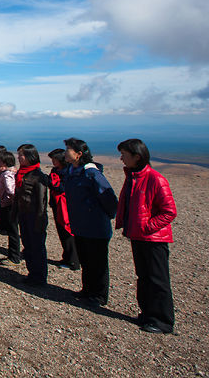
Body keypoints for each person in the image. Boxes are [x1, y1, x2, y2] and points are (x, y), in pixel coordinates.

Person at [115, 138, 177, 333]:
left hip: (153, 239)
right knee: (143, 276)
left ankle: (162, 321)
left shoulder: (155, 178)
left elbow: (169, 211)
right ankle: (148, 313)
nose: (121, 159)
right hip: (139, 236)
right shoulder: (134, 177)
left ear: (137, 157)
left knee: (157, 279)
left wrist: (148, 227)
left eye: (124, 155)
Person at [62, 137, 118, 306]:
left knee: (98, 262)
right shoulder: (71, 171)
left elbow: (109, 198)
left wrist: (102, 215)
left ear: (79, 154)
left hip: (95, 226)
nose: (65, 153)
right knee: (86, 259)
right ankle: (87, 289)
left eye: (68, 150)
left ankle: (99, 295)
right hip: (80, 224)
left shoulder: (91, 173)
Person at [15, 144, 49, 286]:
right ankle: (32, 273)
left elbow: (42, 201)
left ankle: (39, 276)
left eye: (21, 155)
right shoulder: (22, 173)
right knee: (27, 244)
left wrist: (40, 220)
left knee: (37, 246)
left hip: (34, 215)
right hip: (23, 214)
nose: (18, 157)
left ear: (30, 156)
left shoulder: (38, 176)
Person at [48, 148, 79, 270]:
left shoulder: (68, 172)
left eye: (55, 159)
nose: (53, 162)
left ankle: (73, 259)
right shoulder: (55, 170)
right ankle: (67, 256)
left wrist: (51, 183)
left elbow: (62, 187)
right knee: (61, 230)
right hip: (56, 203)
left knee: (67, 230)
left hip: (65, 204)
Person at [0, 150, 19, 263]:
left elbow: (10, 190)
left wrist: (8, 199)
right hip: (10, 204)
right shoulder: (13, 171)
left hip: (8, 205)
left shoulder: (6, 175)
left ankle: (14, 257)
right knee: (13, 230)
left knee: (12, 231)